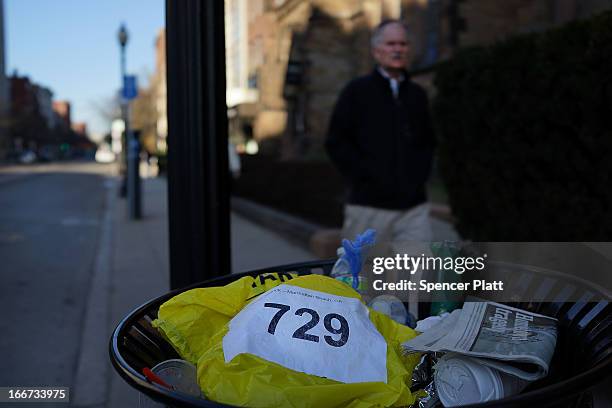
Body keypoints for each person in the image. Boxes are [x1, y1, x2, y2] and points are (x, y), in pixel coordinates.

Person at [325, 19, 436, 254]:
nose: (397, 49)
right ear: (377, 51)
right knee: (361, 280)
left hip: (413, 208)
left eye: (403, 44)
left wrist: (418, 177)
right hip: (368, 206)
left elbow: (427, 142)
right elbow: (336, 142)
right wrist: (365, 177)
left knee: (417, 280)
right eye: (391, 43)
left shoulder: (417, 95)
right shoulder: (356, 91)